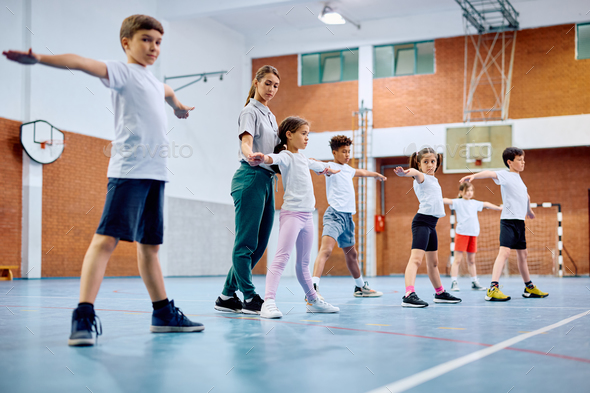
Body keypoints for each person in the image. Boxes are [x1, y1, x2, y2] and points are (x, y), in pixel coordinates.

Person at [4, 14, 204, 346]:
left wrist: (179, 107)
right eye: (145, 40)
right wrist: (39, 58)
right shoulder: (122, 72)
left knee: (150, 247)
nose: (153, 47)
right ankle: (82, 315)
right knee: (106, 240)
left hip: (156, 175)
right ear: (126, 42)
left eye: (158, 42)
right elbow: (81, 63)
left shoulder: (157, 84)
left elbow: (168, 93)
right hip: (129, 172)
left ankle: (162, 313)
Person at [251, 117, 340, 319]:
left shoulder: (303, 158)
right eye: (303, 133)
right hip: (292, 215)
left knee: (303, 263)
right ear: (289, 135)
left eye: (308, 134)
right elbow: (273, 159)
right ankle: (269, 302)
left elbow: (316, 165)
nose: (307, 137)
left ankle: (312, 300)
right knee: (281, 258)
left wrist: (327, 169)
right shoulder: (285, 156)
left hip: (308, 216)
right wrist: (262, 158)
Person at [214, 65, 281, 315]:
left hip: (267, 181)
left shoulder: (271, 116)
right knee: (245, 243)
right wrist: (250, 155)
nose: (271, 89)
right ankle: (250, 297)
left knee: (260, 244)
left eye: (275, 85)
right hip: (250, 177)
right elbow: (246, 141)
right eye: (267, 84)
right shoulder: (249, 111)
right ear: (256, 82)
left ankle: (226, 295)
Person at [460, 147, 548, 301]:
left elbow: (526, 196)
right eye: (519, 160)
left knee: (523, 254)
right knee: (505, 252)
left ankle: (529, 287)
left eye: (523, 159)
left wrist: (529, 211)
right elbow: (490, 173)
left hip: (520, 222)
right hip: (508, 221)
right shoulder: (505, 175)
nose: (523, 162)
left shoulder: (520, 180)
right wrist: (474, 176)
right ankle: (493, 289)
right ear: (510, 162)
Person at [311, 135, 386, 299]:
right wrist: (319, 165)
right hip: (335, 215)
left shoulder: (348, 169)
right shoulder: (329, 166)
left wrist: (376, 175)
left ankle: (360, 287)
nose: (347, 155)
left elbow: (362, 172)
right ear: (334, 152)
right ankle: (313, 287)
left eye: (349, 152)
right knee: (326, 250)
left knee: (352, 255)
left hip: (348, 218)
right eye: (344, 152)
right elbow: (312, 162)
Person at [394, 147, 461, 308]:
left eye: (433, 161)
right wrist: (405, 173)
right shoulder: (421, 176)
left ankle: (440, 293)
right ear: (419, 163)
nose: (430, 165)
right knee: (416, 259)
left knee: (434, 263)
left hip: (432, 225)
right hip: (422, 222)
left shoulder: (434, 180)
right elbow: (415, 173)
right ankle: (409, 294)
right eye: (426, 162)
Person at [443, 182, 502, 291]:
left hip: (473, 234)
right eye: (467, 190)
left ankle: (474, 282)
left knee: (472, 260)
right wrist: (435, 198)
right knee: (457, 260)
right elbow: (446, 200)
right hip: (461, 234)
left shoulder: (475, 203)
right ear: (461, 192)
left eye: (471, 190)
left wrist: (499, 208)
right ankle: (454, 282)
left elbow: (486, 204)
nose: (469, 193)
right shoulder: (457, 202)